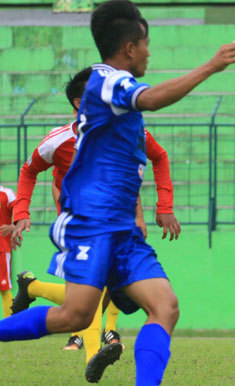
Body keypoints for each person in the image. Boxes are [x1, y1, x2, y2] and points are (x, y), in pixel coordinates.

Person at [0, 0, 235, 386]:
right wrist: (210, 66)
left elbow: (151, 149)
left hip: (122, 229)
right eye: (146, 43)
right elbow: (151, 98)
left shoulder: (115, 92)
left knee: (165, 306)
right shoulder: (109, 80)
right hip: (94, 224)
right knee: (76, 316)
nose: (150, 51)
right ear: (130, 48)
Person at [4, 67, 177, 380]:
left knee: (128, 302)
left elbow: (156, 158)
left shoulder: (127, 131)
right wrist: (21, 213)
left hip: (120, 229)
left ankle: (34, 288)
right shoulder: (59, 141)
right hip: (81, 228)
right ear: (81, 103)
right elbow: (29, 170)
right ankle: (95, 352)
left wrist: (157, 207)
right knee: (95, 303)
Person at [0, 185, 13, 317]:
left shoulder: (7, 194)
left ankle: (8, 327)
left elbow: (21, 211)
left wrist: (13, 226)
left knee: (4, 288)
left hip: (1, 249)